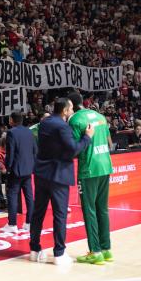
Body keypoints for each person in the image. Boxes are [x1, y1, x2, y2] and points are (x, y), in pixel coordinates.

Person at [29, 98, 94, 265]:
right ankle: (59, 253)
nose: (72, 111)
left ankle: (34, 250)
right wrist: (87, 137)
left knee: (38, 213)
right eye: (71, 108)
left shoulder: (44, 122)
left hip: (41, 174)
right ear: (65, 111)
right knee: (59, 214)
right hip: (58, 175)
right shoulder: (63, 127)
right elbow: (73, 149)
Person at [68, 92, 114, 265]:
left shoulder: (75, 120)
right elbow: (109, 142)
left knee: (89, 211)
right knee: (102, 209)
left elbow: (74, 148)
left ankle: (95, 251)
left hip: (88, 169)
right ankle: (106, 249)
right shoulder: (100, 116)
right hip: (105, 165)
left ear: (71, 105)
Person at [0, 110, 36, 233]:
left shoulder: (11, 132)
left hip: (16, 170)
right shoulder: (29, 131)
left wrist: (8, 168)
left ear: (12, 120)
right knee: (29, 197)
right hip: (28, 169)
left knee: (12, 196)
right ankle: (29, 223)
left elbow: (10, 153)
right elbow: (35, 150)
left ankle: (12, 224)